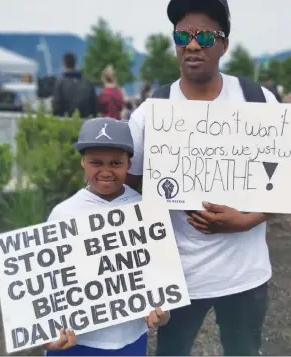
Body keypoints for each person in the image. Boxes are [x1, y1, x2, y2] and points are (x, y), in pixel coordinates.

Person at [126, 0, 279, 355]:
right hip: (177, 281)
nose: (192, 45)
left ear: (224, 44)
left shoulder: (259, 102)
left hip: (246, 276)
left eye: (205, 36)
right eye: (182, 35)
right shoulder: (152, 111)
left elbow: (289, 185)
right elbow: (126, 189)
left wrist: (248, 220)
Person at [44, 117, 170, 356]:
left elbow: (162, 280)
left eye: (115, 163)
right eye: (95, 162)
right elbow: (45, 287)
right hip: (75, 342)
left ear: (128, 164)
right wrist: (45, 334)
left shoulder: (148, 211)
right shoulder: (62, 214)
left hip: (129, 340)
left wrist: (162, 313)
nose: (106, 171)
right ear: (82, 161)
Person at [52, 52, 97, 118]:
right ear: (75, 65)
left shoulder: (60, 83)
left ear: (64, 65)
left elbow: (56, 105)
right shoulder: (87, 82)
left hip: (66, 122)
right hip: (85, 122)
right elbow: (94, 105)